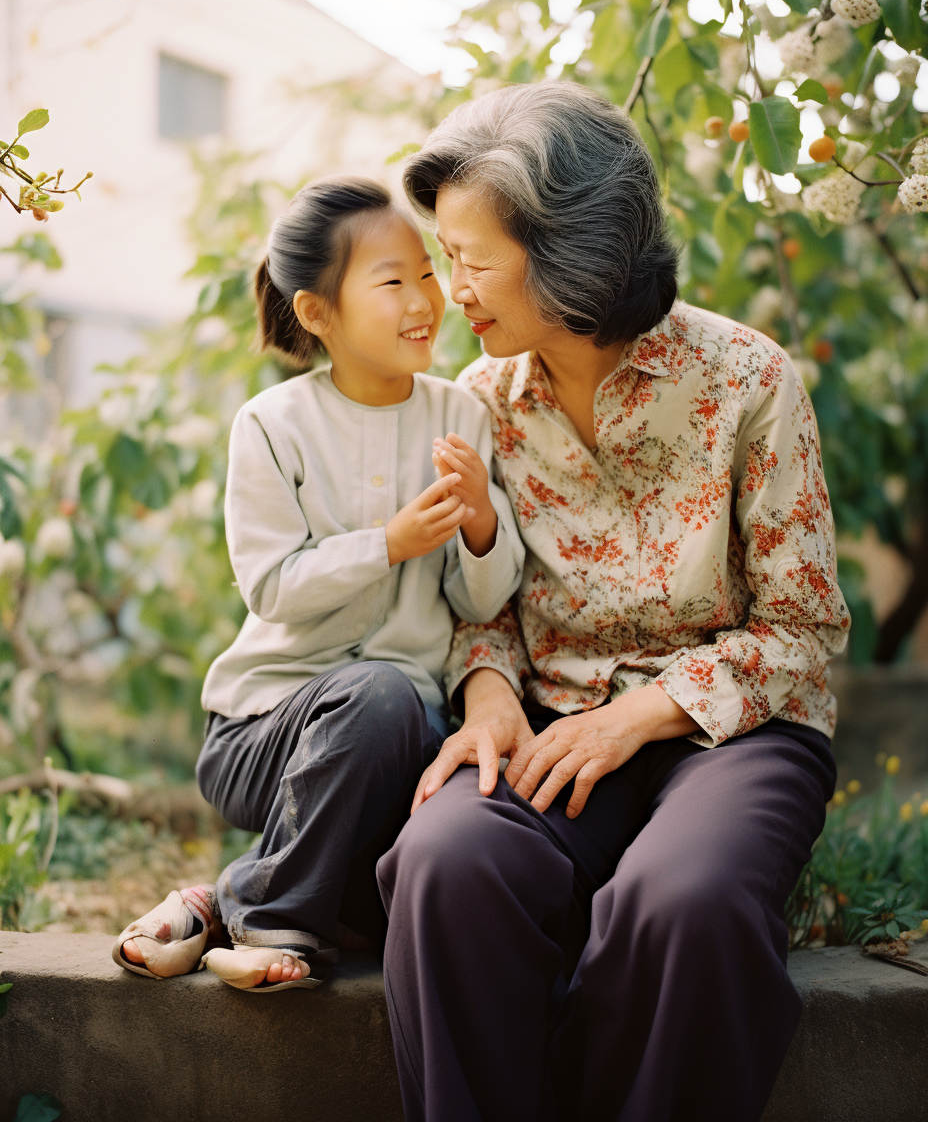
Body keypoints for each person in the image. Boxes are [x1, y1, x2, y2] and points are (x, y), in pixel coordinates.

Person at [375, 82, 850, 1121]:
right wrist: (491, 689)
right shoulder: (480, 402)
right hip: (550, 721)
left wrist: (637, 715)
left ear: (570, 255)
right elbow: (479, 600)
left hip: (735, 732)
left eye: (470, 259)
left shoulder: (746, 380)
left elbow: (804, 629)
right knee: (444, 861)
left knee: (683, 901)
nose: (448, 287)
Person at [111, 176, 523, 991]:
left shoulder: (461, 417)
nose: (423, 299)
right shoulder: (272, 426)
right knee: (373, 694)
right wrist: (388, 542)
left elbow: (481, 603)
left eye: (427, 273)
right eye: (391, 281)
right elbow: (271, 587)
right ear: (317, 313)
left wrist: (480, 522)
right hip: (262, 731)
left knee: (394, 893)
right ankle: (270, 923)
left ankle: (217, 902)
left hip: (397, 739)